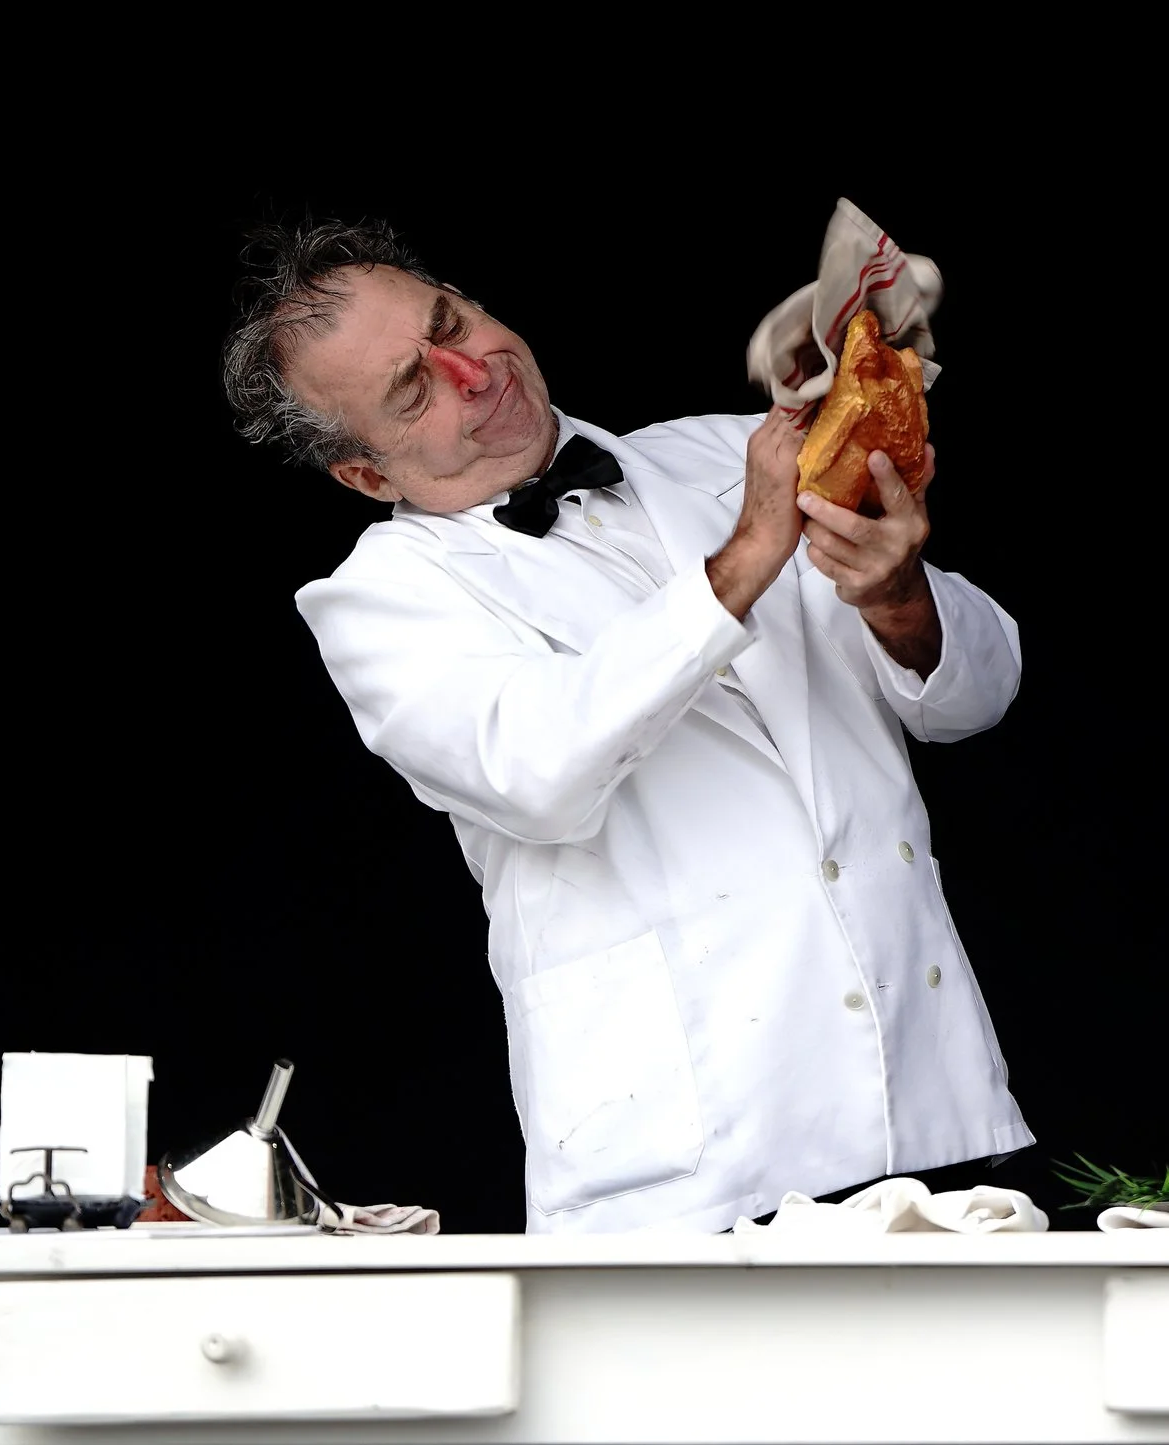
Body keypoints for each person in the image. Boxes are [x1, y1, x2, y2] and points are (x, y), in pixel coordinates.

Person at [218, 216, 1032, 1235]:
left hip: (933, 1100)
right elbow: (538, 767)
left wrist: (898, 593)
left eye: (450, 322)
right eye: (413, 389)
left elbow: (978, 694)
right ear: (367, 475)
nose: (473, 371)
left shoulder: (722, 453)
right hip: (687, 1167)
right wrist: (744, 557)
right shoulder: (379, 599)